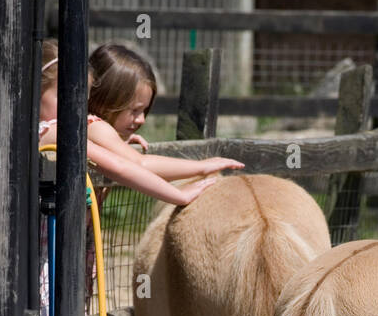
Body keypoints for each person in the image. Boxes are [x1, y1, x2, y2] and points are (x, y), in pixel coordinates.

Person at [38, 39, 242, 205]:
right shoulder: (77, 129)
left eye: (83, 98)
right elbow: (132, 164)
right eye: (134, 109)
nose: (74, 107)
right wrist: (197, 172)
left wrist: (116, 142)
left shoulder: (72, 129)